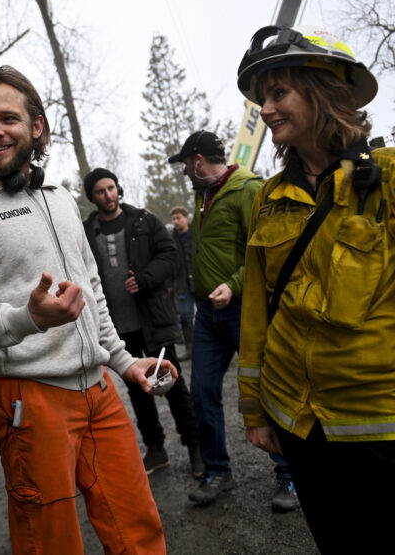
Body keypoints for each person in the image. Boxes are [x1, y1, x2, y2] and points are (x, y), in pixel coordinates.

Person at [235, 24, 395, 553]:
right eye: (263, 97)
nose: (265, 109)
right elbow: (259, 315)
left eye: (278, 93)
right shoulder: (271, 198)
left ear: (325, 91)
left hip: (388, 425)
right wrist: (257, 411)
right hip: (301, 427)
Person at [0, 66, 172, 554]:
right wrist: (25, 318)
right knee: (51, 544)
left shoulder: (59, 198)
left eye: (7, 118)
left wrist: (121, 361)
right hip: (26, 400)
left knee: (138, 528)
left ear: (36, 126)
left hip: (98, 391)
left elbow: (89, 287)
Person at [167, 130, 296, 510]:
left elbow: (264, 250)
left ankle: (289, 476)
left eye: (186, 165)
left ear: (197, 161)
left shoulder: (247, 190)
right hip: (207, 315)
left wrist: (234, 284)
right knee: (202, 394)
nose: (185, 173)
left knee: (268, 391)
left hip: (244, 310)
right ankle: (217, 470)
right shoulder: (202, 194)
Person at [82, 169, 204, 477]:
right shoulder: (86, 232)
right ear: (93, 197)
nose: (108, 195)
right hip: (117, 327)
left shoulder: (143, 221)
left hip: (152, 319)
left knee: (172, 384)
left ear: (118, 189)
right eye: (100, 191)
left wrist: (147, 278)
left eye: (111, 188)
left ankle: (195, 447)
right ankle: (156, 448)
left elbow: (169, 253)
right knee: (137, 389)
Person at [169, 206, 194, 357]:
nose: (176, 221)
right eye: (173, 219)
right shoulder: (171, 239)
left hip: (199, 281)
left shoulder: (196, 234)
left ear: (186, 218)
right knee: (185, 318)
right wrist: (169, 283)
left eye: (178, 218)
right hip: (181, 284)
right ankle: (190, 349)